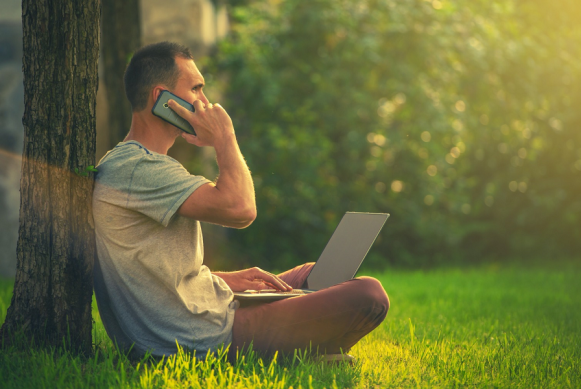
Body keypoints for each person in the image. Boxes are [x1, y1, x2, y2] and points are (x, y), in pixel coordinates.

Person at [93, 41, 389, 362]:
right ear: (161, 98)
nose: (205, 102)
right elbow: (241, 209)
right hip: (200, 338)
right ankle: (309, 352)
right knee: (368, 295)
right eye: (196, 89)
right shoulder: (137, 168)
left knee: (315, 274)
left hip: (208, 313)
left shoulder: (142, 166)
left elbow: (157, 274)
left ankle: (310, 351)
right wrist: (225, 137)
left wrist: (224, 280)